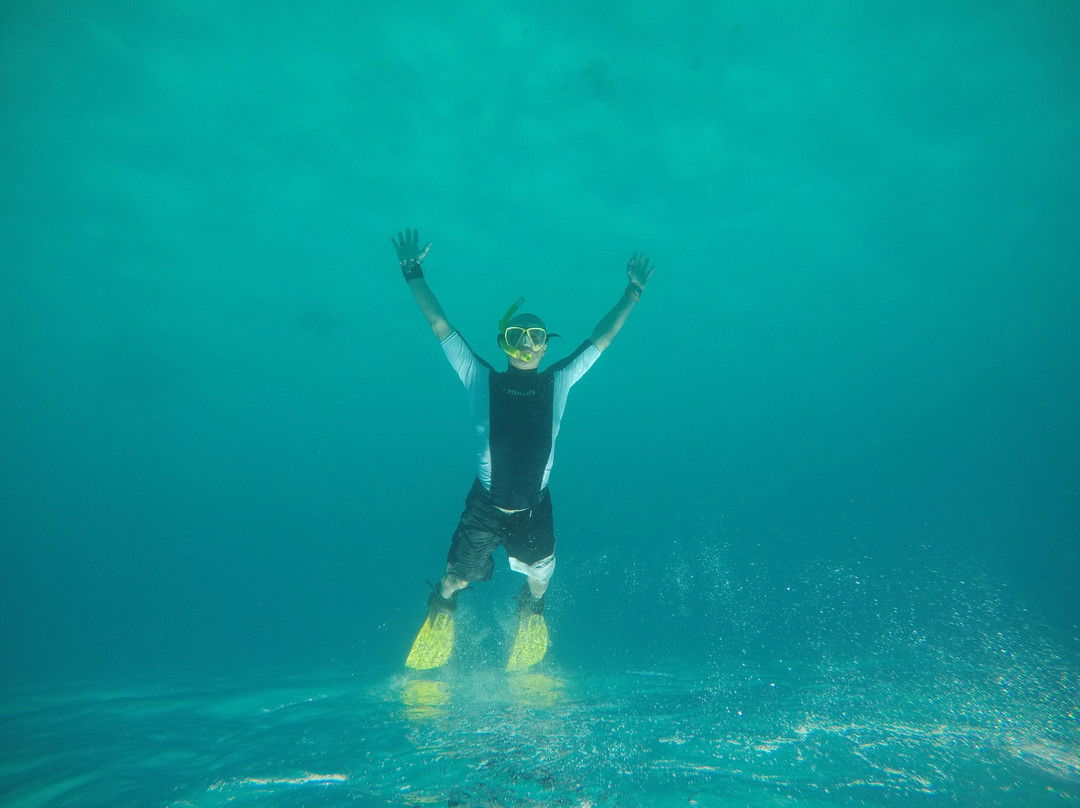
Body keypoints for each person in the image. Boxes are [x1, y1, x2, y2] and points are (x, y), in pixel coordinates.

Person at [393, 227, 654, 670]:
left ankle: (530, 611)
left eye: (536, 335)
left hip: (535, 506)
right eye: (517, 335)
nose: (528, 344)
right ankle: (442, 607)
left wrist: (633, 291)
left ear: (547, 342)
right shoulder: (480, 377)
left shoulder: (559, 380)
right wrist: (411, 269)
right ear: (503, 343)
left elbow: (601, 338)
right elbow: (440, 324)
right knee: (455, 577)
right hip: (485, 505)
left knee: (539, 579)